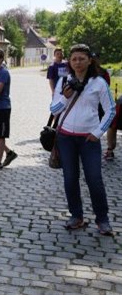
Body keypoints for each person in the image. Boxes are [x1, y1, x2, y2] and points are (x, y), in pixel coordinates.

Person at [50, 44, 115, 236]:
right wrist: (64, 97)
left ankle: (102, 219)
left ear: (89, 60)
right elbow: (53, 110)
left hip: (89, 139)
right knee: (70, 179)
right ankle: (76, 216)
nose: (77, 62)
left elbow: (110, 110)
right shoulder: (63, 82)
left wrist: (98, 132)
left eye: (81, 58)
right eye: (74, 59)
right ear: (69, 62)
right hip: (66, 138)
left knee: (94, 179)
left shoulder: (98, 83)